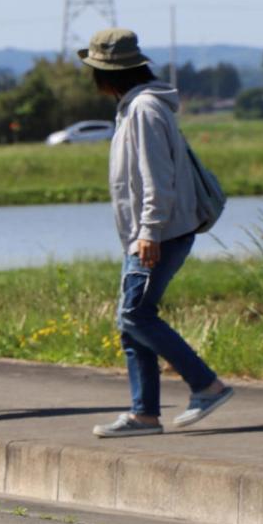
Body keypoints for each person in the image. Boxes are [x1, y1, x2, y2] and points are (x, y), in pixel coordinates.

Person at [78, 28, 234, 438]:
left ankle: (206, 385)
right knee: (130, 321)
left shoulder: (144, 110)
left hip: (158, 234)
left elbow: (156, 180)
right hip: (150, 234)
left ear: (107, 74)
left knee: (135, 314)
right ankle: (144, 413)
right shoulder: (135, 106)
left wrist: (147, 232)